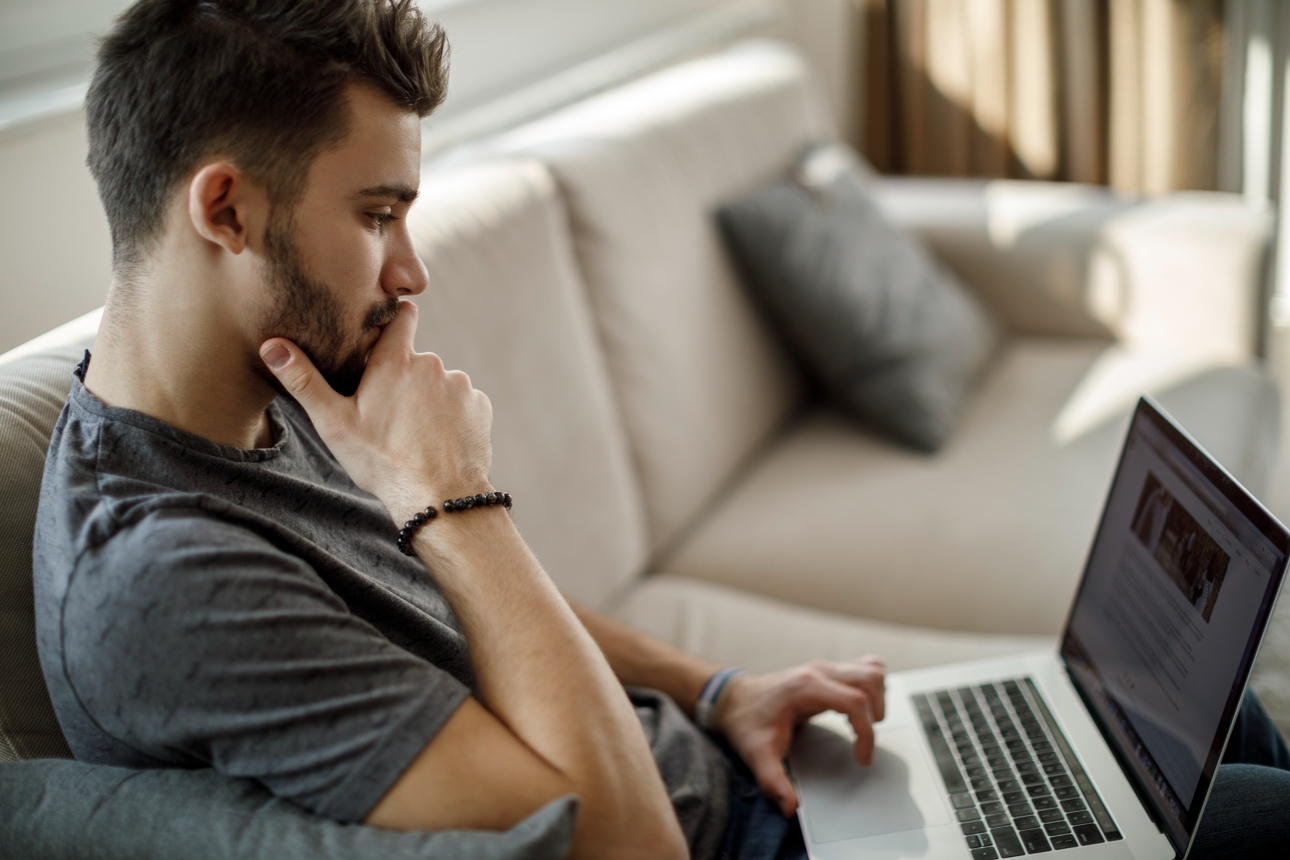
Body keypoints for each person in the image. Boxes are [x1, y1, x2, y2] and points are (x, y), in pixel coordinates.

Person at [28, 2, 1290, 859]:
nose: (410, 271)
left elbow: (470, 616)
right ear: (227, 210)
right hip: (738, 843)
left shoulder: (270, 386)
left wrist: (719, 685)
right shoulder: (161, 579)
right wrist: (454, 500)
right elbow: (627, 846)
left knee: (1224, 725)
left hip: (750, 777)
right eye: (378, 213)